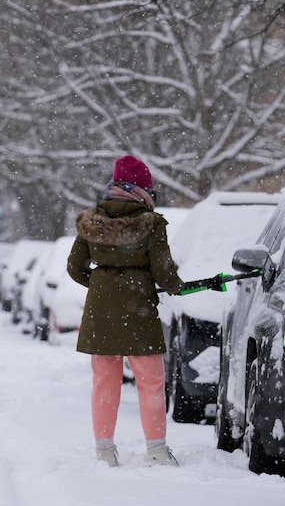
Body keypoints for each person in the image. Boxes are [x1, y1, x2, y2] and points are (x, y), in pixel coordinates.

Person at [67, 155, 184, 467]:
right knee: (151, 380)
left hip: (101, 311)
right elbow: (163, 272)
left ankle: (104, 452)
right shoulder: (152, 224)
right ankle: (157, 450)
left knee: (104, 382)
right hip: (140, 311)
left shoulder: (92, 221)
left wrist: (99, 285)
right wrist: (176, 285)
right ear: (142, 189)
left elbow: (74, 267)